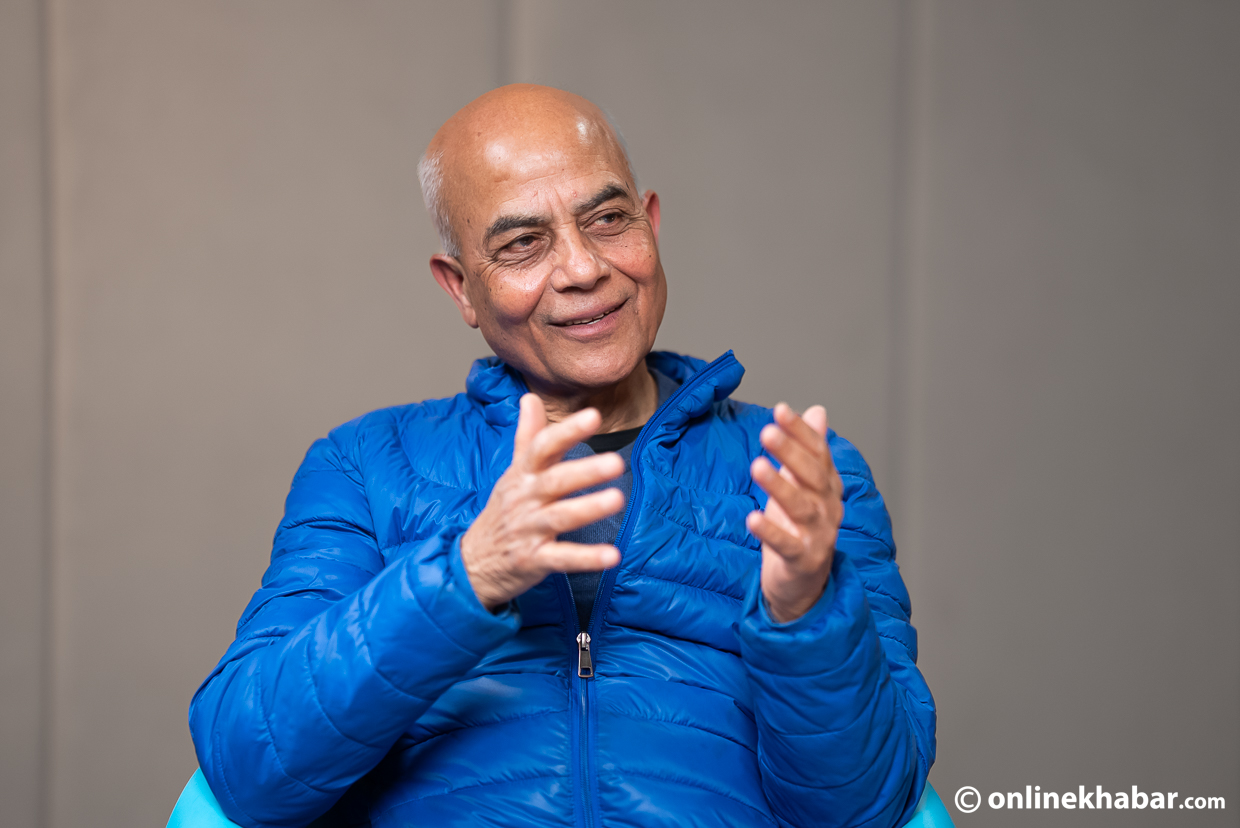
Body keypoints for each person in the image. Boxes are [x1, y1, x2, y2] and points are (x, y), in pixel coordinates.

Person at [189, 84, 936, 828]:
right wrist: (468, 574)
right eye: (523, 243)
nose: (582, 268)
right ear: (461, 289)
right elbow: (250, 770)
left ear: (650, 224)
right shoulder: (366, 467)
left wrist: (804, 611)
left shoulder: (797, 474)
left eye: (607, 221)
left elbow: (866, 809)